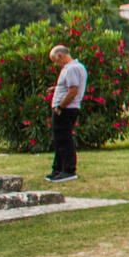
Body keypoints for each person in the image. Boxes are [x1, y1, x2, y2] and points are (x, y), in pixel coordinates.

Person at [45, 43, 87, 183]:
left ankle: (69, 169)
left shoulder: (72, 69)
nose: (56, 64)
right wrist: (56, 89)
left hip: (66, 109)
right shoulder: (72, 68)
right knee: (58, 138)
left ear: (60, 56)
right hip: (66, 108)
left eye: (55, 60)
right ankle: (58, 168)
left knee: (64, 138)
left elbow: (73, 90)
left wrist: (61, 107)